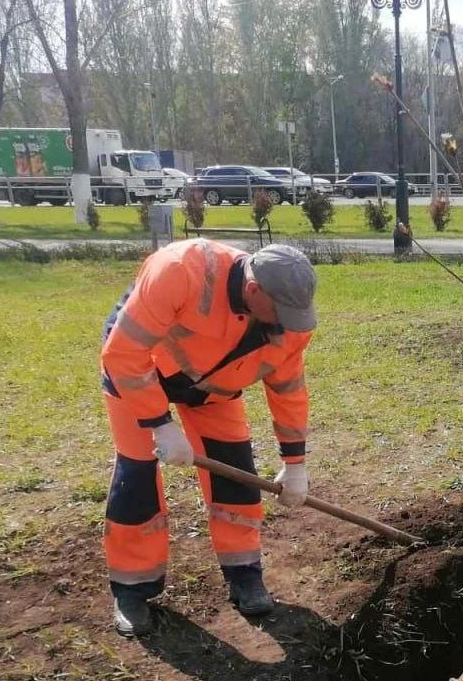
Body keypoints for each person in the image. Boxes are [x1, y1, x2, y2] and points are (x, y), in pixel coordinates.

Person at [100, 240, 319, 637]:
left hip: (213, 389)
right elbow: (124, 353)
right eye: (281, 312)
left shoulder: (289, 326)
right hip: (139, 374)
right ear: (254, 292)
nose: (288, 323)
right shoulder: (181, 270)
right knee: (137, 477)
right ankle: (132, 589)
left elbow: (288, 391)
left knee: (236, 473)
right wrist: (159, 424)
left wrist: (295, 463)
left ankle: (244, 573)